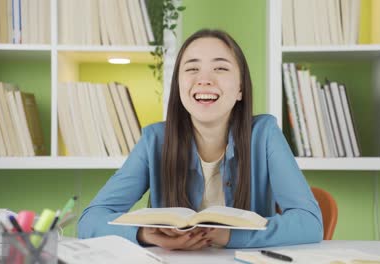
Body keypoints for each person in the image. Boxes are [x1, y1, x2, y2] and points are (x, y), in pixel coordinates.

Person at [78, 29, 323, 250]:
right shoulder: (155, 140)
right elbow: (90, 220)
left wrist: (231, 237)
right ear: (178, 86)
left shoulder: (265, 134)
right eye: (192, 68)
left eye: (221, 68)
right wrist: (146, 235)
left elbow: (309, 222)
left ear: (240, 89)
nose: (204, 79)